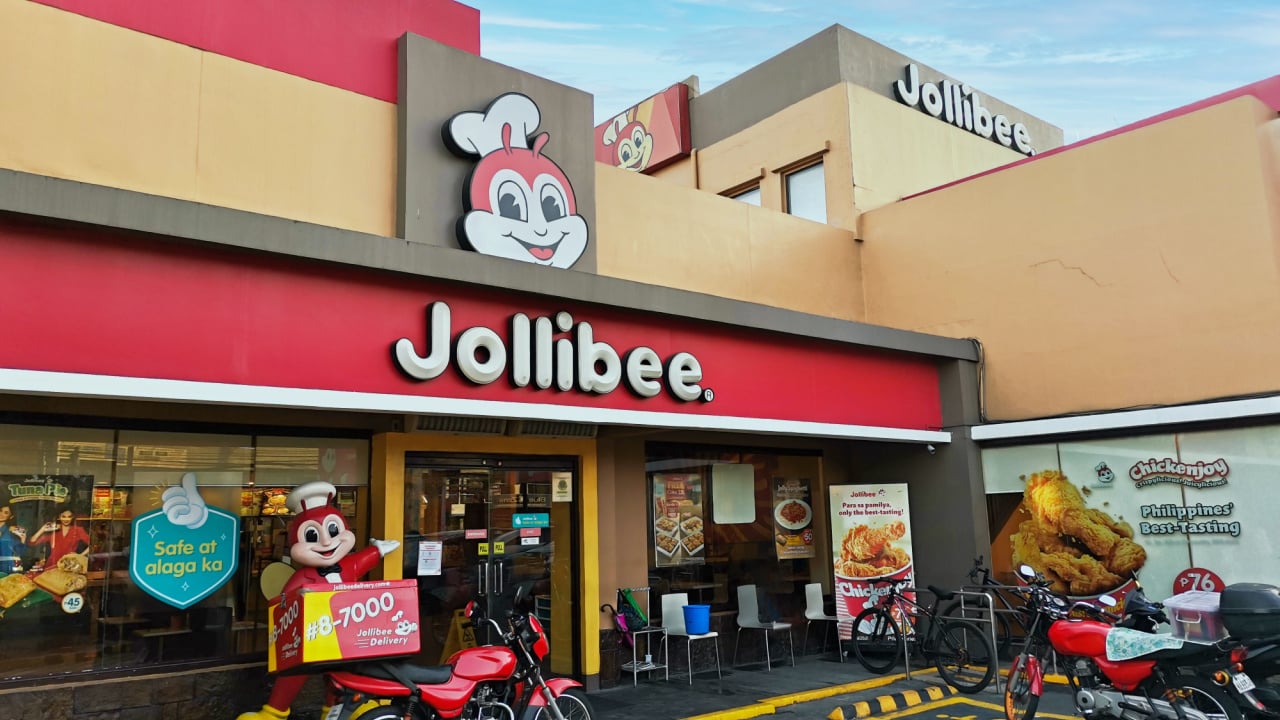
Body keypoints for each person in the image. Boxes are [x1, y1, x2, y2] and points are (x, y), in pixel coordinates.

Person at [237, 481, 399, 720]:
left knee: (342, 675)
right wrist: (291, 602)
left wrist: (378, 550)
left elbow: (362, 560)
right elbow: (285, 601)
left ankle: (336, 711)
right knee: (294, 673)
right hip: (310, 636)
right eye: (312, 535)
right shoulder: (303, 576)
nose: (326, 541)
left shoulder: (347, 565)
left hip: (343, 634)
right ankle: (274, 712)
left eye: (333, 531)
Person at [0, 503, 27, 572]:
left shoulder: (12, 531)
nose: (1, 514)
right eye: (0, 511)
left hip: (6, 567)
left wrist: (23, 538)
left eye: (6, 513)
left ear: (11, 516)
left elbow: (19, 552)